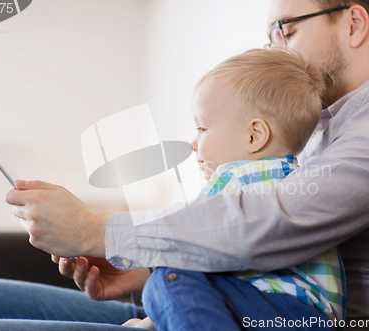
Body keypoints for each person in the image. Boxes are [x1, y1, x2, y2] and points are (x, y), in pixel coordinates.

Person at [0, 0, 369, 330]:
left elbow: (271, 222)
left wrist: (97, 229)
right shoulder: (318, 128)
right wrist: (143, 271)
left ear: (355, 22)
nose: (275, 47)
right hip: (221, 306)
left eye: (286, 29)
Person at [123, 48, 345, 330]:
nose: (194, 142)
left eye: (202, 128)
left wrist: (149, 321)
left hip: (284, 311)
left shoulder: (237, 178)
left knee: (166, 277)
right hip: (309, 317)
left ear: (254, 135)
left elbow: (185, 251)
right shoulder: (298, 183)